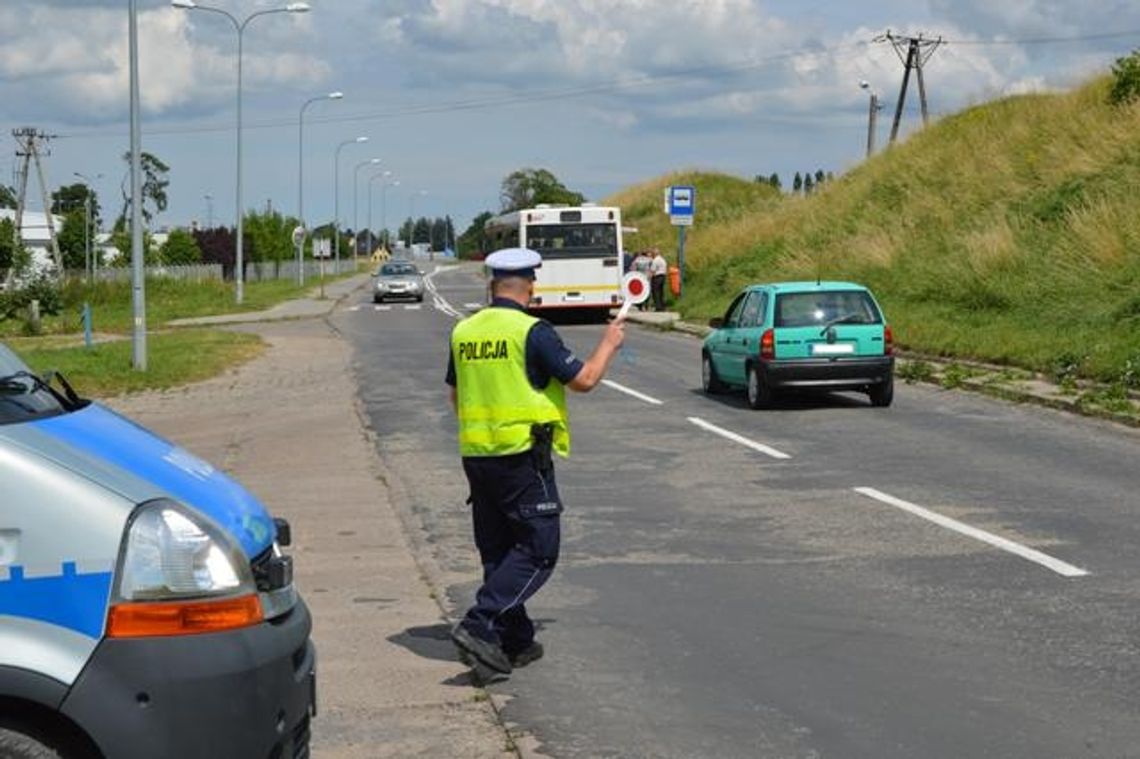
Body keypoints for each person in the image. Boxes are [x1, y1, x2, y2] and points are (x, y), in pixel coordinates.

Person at [446, 247, 625, 680]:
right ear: (530, 286)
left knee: (499, 550)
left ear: (491, 286)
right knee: (540, 551)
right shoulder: (533, 332)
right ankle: (480, 622)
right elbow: (583, 380)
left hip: (478, 456)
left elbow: (455, 394)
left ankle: (514, 640)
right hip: (524, 458)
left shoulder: (464, 331)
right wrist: (609, 344)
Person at [649, 247, 668, 312]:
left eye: (652, 253)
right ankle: (663, 306)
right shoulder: (663, 259)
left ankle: (658, 307)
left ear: (654, 254)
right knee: (661, 292)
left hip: (657, 277)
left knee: (656, 292)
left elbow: (653, 270)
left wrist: (649, 278)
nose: (652, 255)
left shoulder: (655, 260)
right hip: (663, 276)